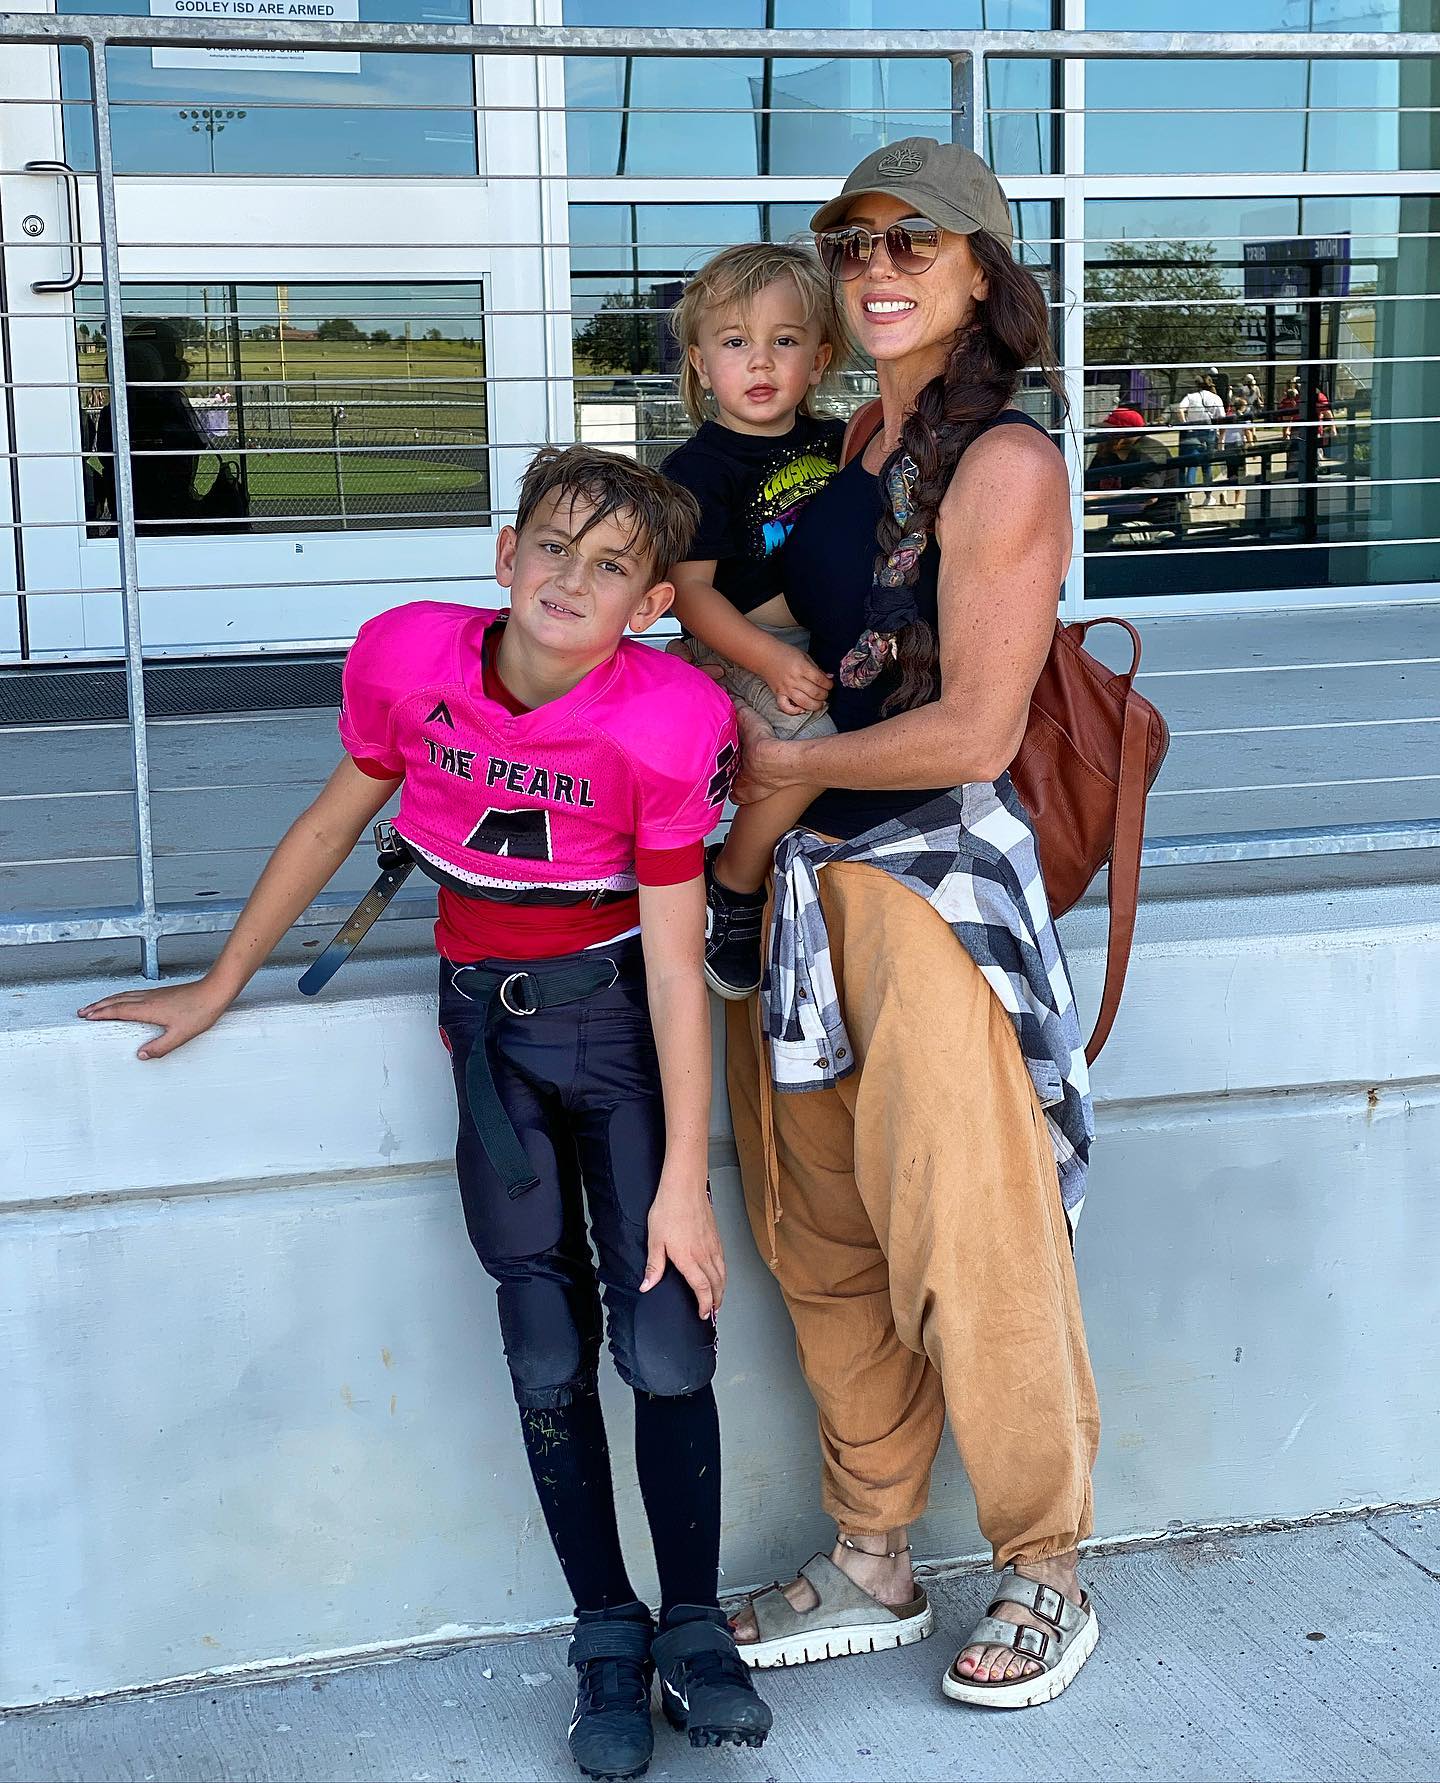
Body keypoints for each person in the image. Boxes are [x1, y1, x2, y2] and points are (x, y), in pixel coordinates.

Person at [77, 446, 773, 1782]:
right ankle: (605, 1630)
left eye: (609, 565)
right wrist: (222, 980)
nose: (570, 577)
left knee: (664, 1335)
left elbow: (678, 963)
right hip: (489, 1034)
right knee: (542, 1343)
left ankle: (693, 1625)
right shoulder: (411, 660)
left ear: (649, 607)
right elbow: (330, 823)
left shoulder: (665, 717)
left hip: (617, 1026)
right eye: (551, 545)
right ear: (506, 555)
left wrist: (686, 1176)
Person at [721, 137, 1100, 1709]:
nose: (875, 266)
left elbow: (974, 729)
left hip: (923, 884)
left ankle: (1046, 1559)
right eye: (853, 241)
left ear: (980, 273)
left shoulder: (1002, 462)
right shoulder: (848, 441)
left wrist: (790, 771)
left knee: (969, 1231)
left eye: (913, 243)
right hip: (802, 881)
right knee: (819, 1233)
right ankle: (873, 1551)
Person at [660, 243, 848, 999]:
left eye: (785, 340)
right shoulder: (697, 471)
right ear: (702, 366)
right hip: (742, 643)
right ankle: (733, 884)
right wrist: (770, 660)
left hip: (826, 641)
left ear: (820, 358)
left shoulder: (843, 445)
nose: (761, 361)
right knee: (814, 741)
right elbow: (691, 594)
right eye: (736, 342)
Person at [1085, 406, 1182, 540]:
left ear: (1127, 435)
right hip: (1119, 524)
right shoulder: (1106, 453)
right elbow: (1087, 486)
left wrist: (1097, 497)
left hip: (1154, 527)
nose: (1102, 437)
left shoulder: (1152, 451)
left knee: (1094, 544)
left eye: (1110, 432)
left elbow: (1147, 496)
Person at [1177, 373, 1225, 503]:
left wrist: (1185, 424)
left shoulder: (1190, 397)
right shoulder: (1216, 398)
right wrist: (1221, 438)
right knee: (1207, 465)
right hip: (1209, 432)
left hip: (1192, 431)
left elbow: (1180, 409)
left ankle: (1188, 496)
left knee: (1191, 464)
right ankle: (1208, 496)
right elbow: (1222, 418)